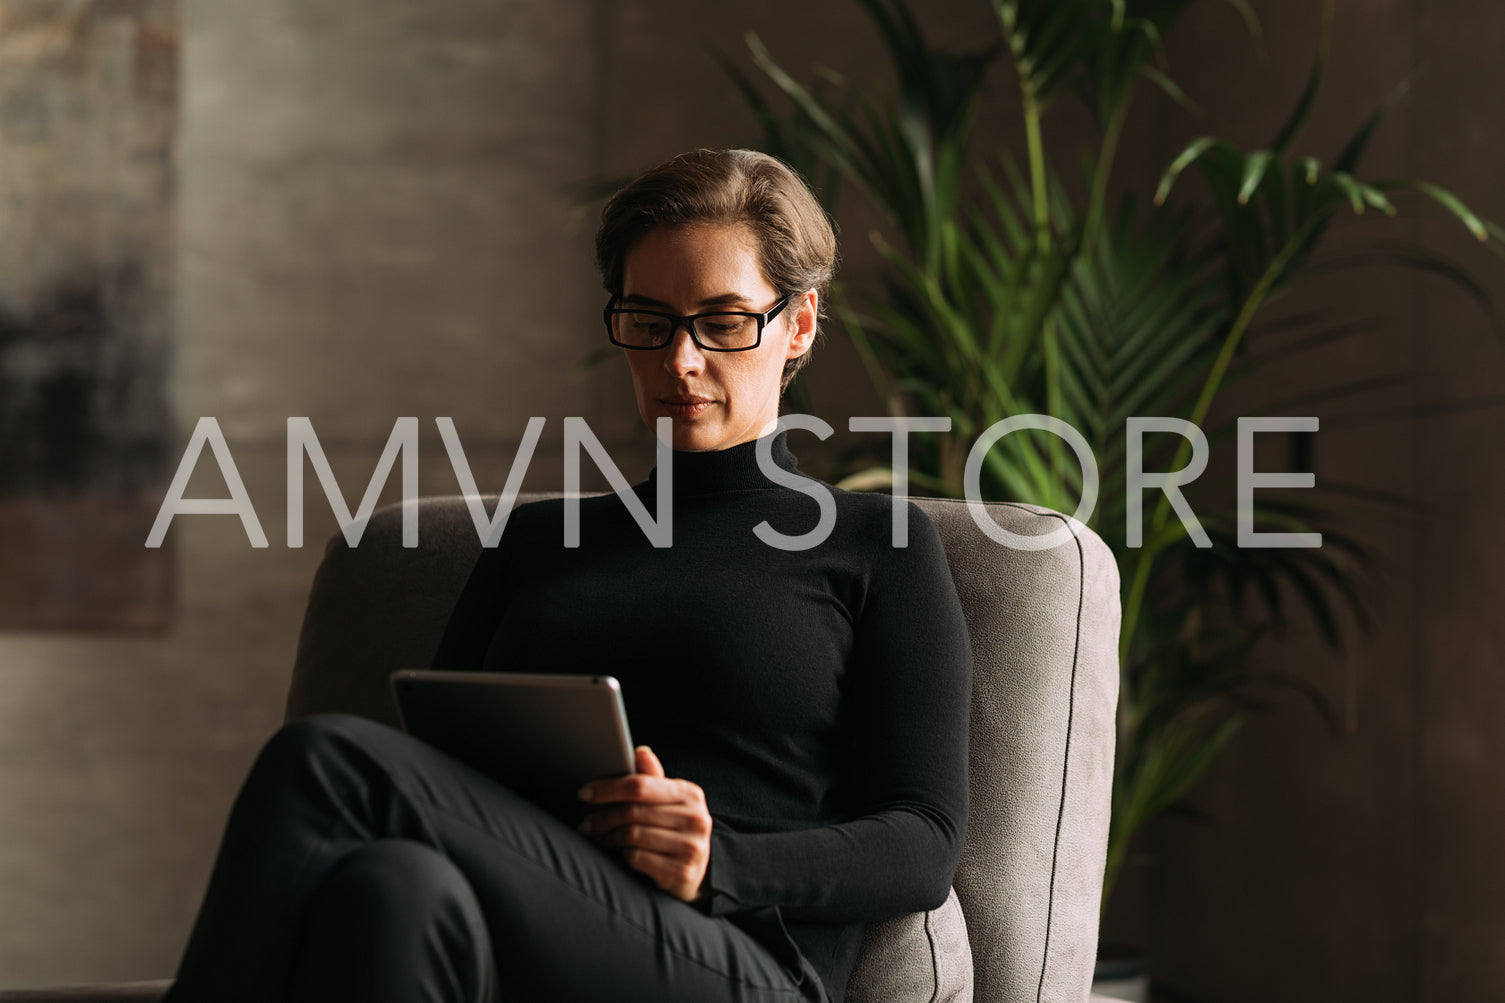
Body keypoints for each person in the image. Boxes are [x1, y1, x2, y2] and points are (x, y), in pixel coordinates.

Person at [161, 148, 973, 1003]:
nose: (681, 360)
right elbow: (442, 773)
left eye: (724, 321)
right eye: (649, 320)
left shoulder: (874, 543)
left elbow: (922, 841)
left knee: (326, 760)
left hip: (736, 963)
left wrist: (719, 857)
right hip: (532, 927)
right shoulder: (540, 540)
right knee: (391, 888)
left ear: (798, 324)